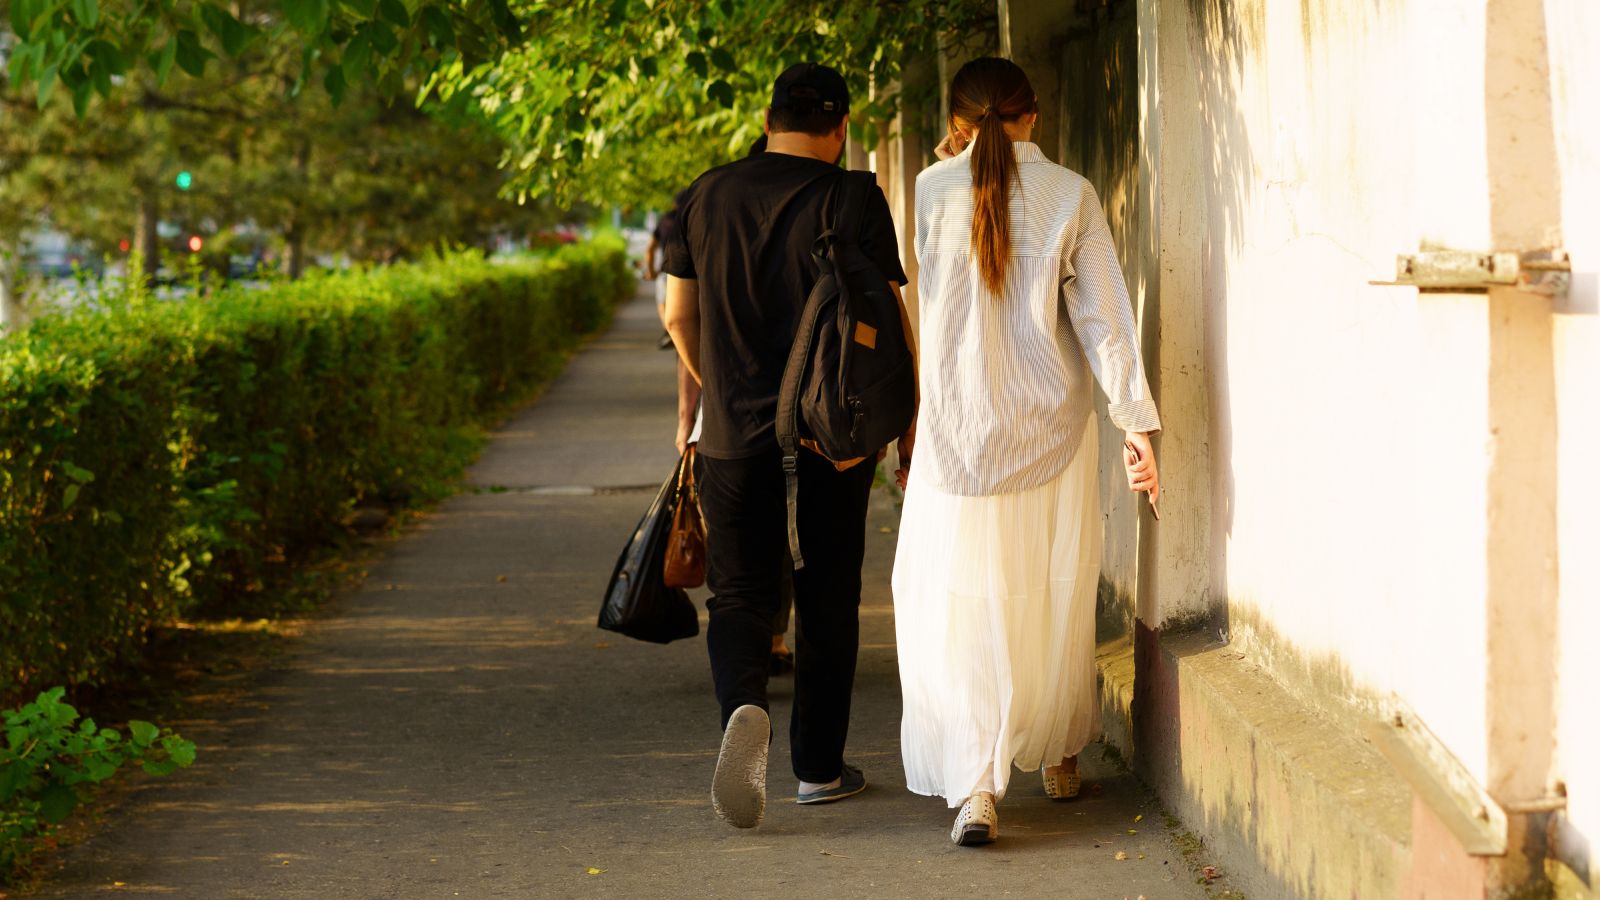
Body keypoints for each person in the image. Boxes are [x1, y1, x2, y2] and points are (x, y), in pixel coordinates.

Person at [891, 56, 1161, 847]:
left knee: (959, 604)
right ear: (1033, 115)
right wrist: (1133, 420)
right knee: (1055, 589)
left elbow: (935, 302)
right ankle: (1062, 752)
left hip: (956, 439)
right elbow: (1104, 318)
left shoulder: (931, 189)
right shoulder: (1071, 193)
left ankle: (977, 788)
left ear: (960, 123)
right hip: (1050, 433)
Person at [662, 62, 912, 830]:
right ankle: (818, 770)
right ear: (839, 130)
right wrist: (907, 425)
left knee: (738, 594)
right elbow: (891, 322)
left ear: (767, 119)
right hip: (831, 437)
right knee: (828, 593)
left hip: (734, 434)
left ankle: (744, 705)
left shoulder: (704, 194)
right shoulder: (855, 196)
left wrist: (709, 399)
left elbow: (678, 314)